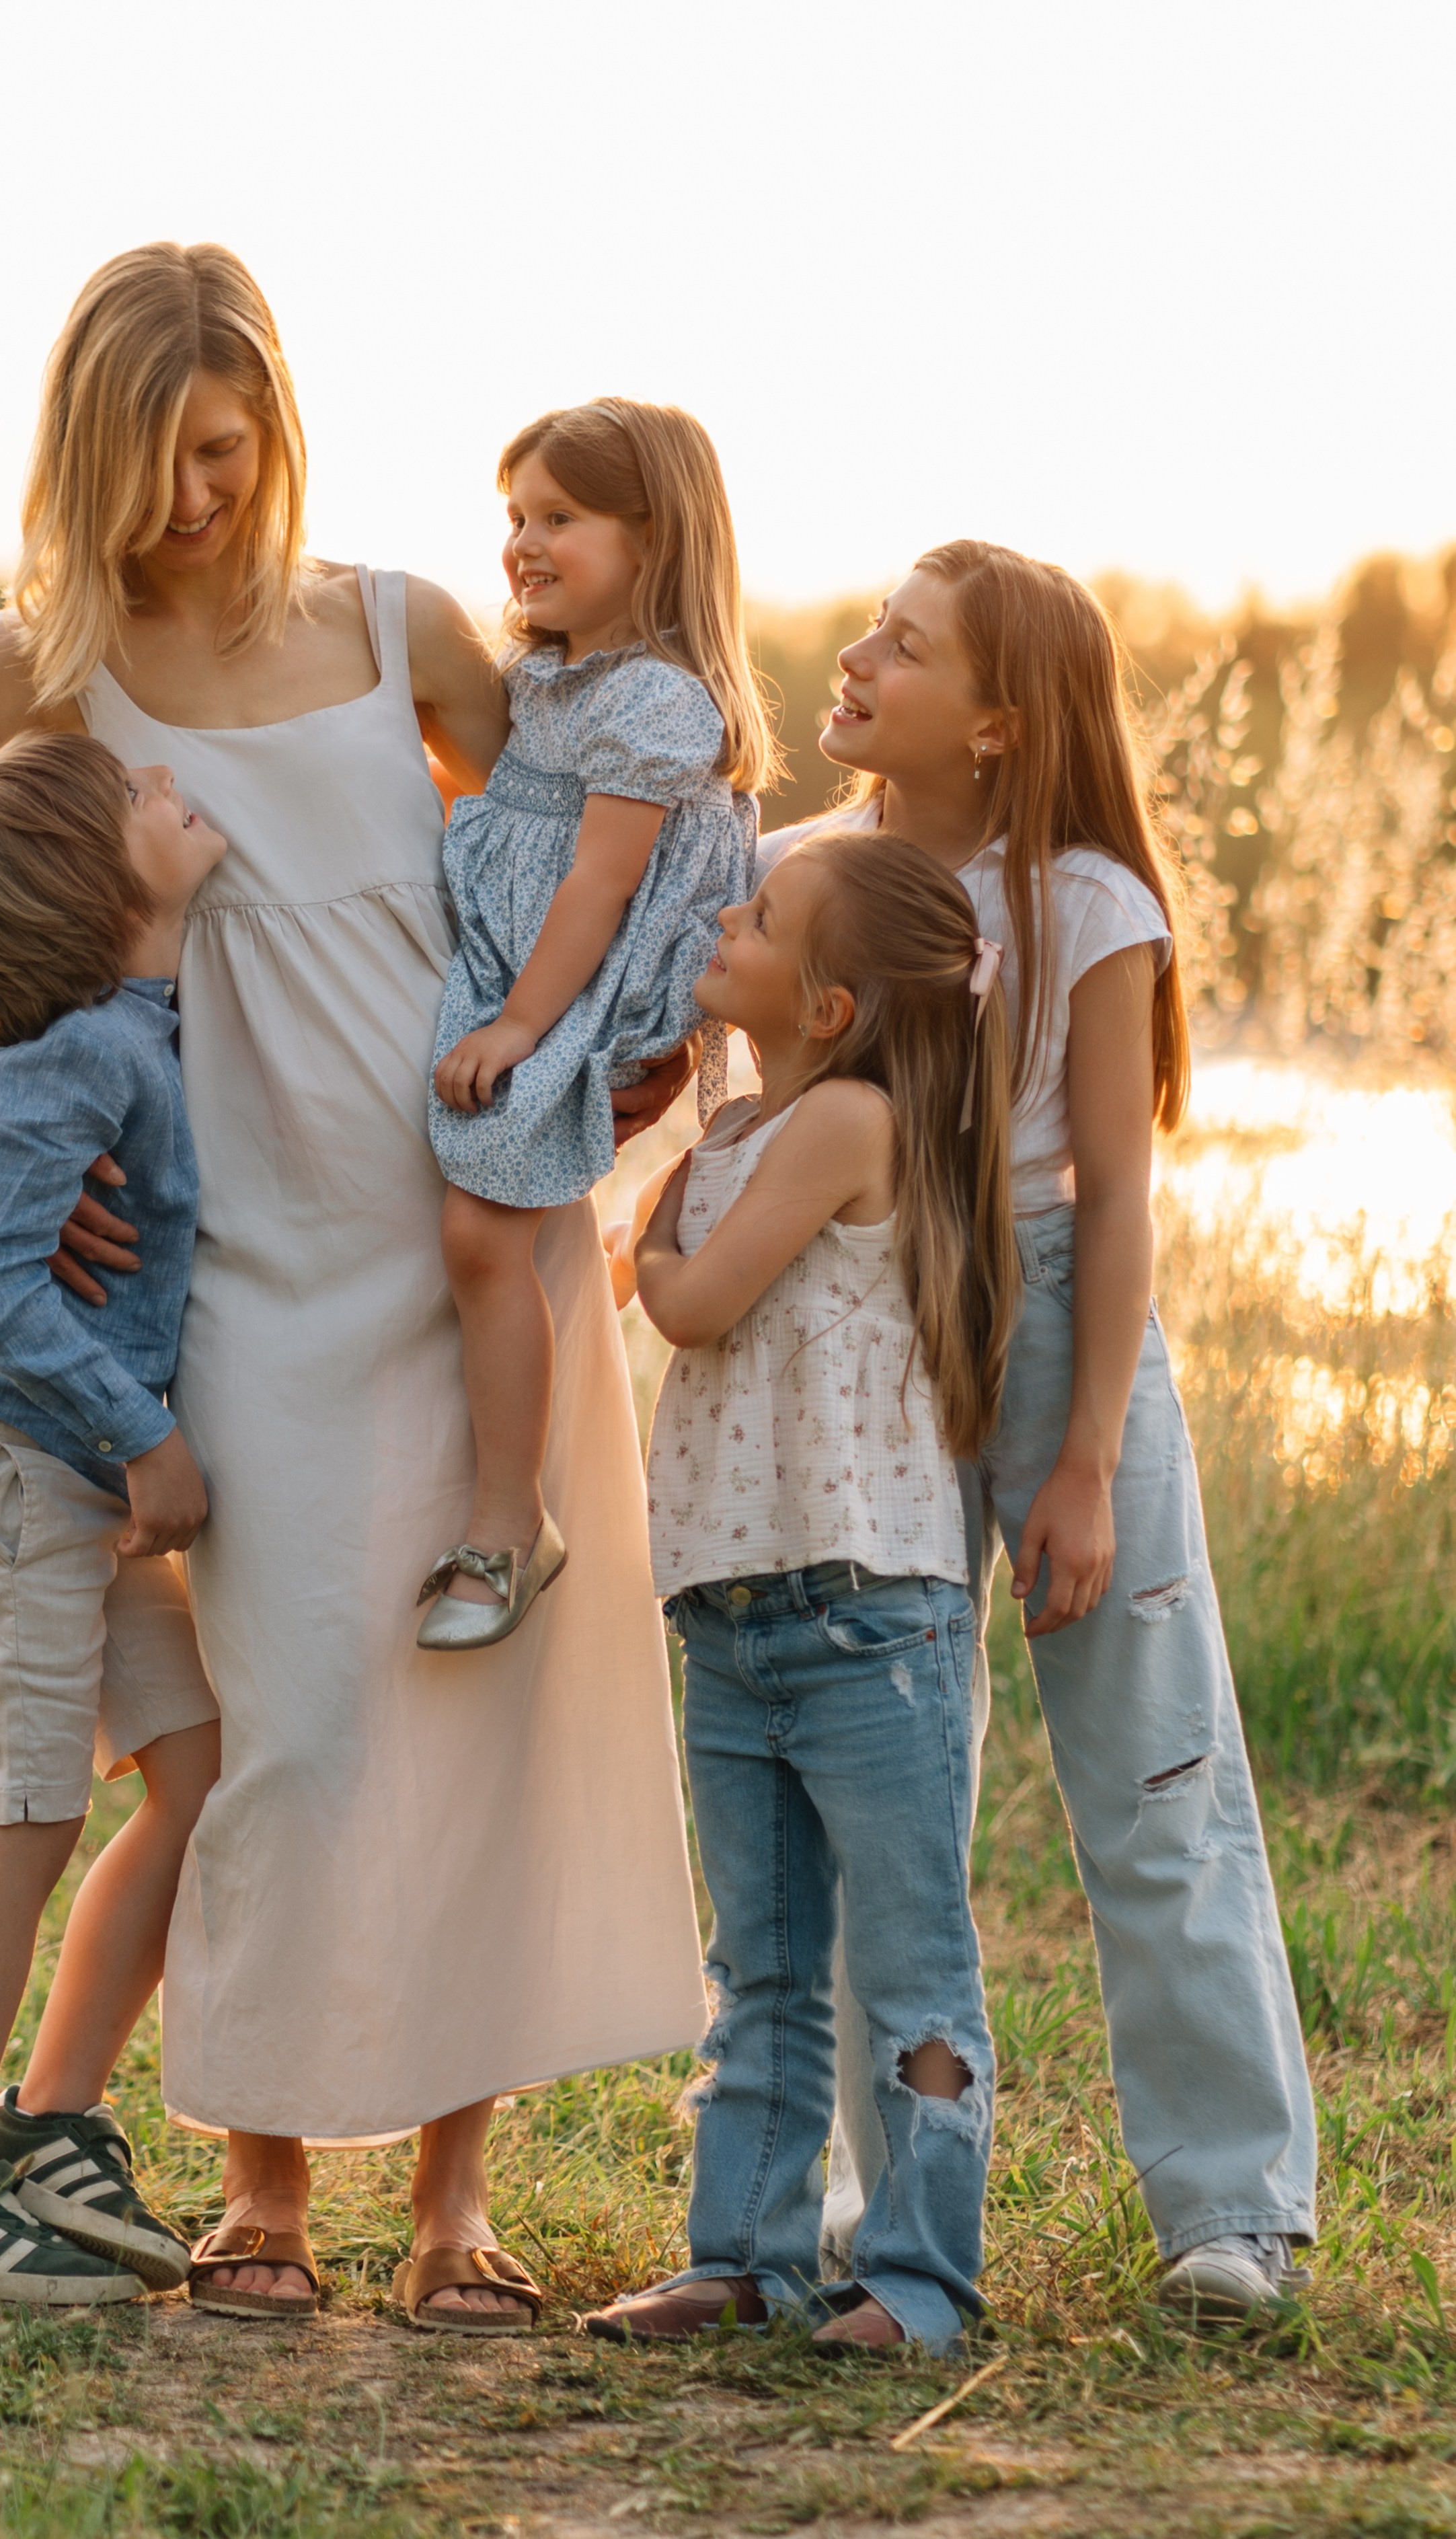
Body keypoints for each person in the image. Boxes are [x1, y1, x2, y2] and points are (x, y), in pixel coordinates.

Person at [0, 242, 706, 2328]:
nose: (193, 497)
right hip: (224, 1253)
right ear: (83, 454)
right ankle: (259, 2194)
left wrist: (637, 1041)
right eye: (155, 460)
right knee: (280, 1718)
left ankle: (450, 2212)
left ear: (274, 430)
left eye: (224, 449)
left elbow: (586, 834)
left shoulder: (403, 630)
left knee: (476, 1701)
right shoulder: (31, 675)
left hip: (466, 1230)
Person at [774, 541, 1317, 2328]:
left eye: (904, 648)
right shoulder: (813, 877)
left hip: (1052, 1321)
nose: (855, 657)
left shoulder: (1082, 897)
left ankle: (1229, 2203)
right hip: (868, 1316)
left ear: (997, 722)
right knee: (876, 1776)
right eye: (868, 627)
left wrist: (1079, 1457)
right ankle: (882, 2196)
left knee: (1153, 1768)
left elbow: (1109, 1198)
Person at [583, 831, 1019, 2352]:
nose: (723, 911)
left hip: (862, 1619)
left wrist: (647, 1223)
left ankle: (914, 2276)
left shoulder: (841, 1121)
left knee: (907, 1963)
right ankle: (744, 2256)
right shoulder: (756, 1114)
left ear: (827, 1005)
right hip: (733, 1615)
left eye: (756, 914)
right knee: (759, 1962)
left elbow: (689, 1302)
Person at [0, 733, 225, 2300]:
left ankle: (45, 2121)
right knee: (25, 1820)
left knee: (195, 1764)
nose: (169, 779)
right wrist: (143, 1436)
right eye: (136, 793)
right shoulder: (83, 1046)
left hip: (49, 1471)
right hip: (3, 1464)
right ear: (92, 881)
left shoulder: (142, 1017)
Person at [420, 400, 767, 1650]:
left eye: (560, 517)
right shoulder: (548, 678)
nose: (524, 542)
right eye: (515, 516)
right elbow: (501, 816)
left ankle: (509, 1522)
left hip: (584, 992)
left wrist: (518, 1025)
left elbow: (599, 883)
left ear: (653, 535)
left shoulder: (658, 702)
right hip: (529, 972)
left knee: (477, 1237)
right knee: (473, 1234)